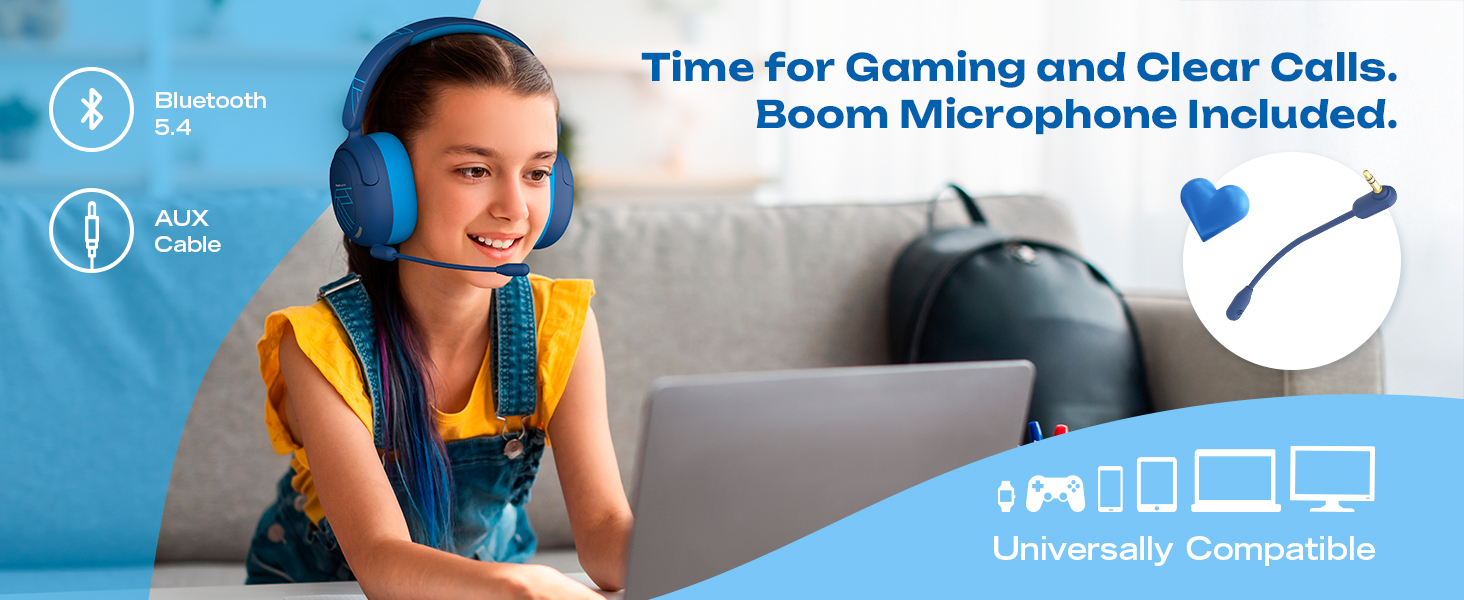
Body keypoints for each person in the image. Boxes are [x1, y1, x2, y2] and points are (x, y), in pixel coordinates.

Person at [245, 30, 630, 600]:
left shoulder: (559, 325)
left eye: (537, 173)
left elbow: (602, 534)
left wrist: (712, 556)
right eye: (475, 170)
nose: (515, 208)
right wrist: (517, 586)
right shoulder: (319, 347)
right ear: (383, 189)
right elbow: (380, 562)